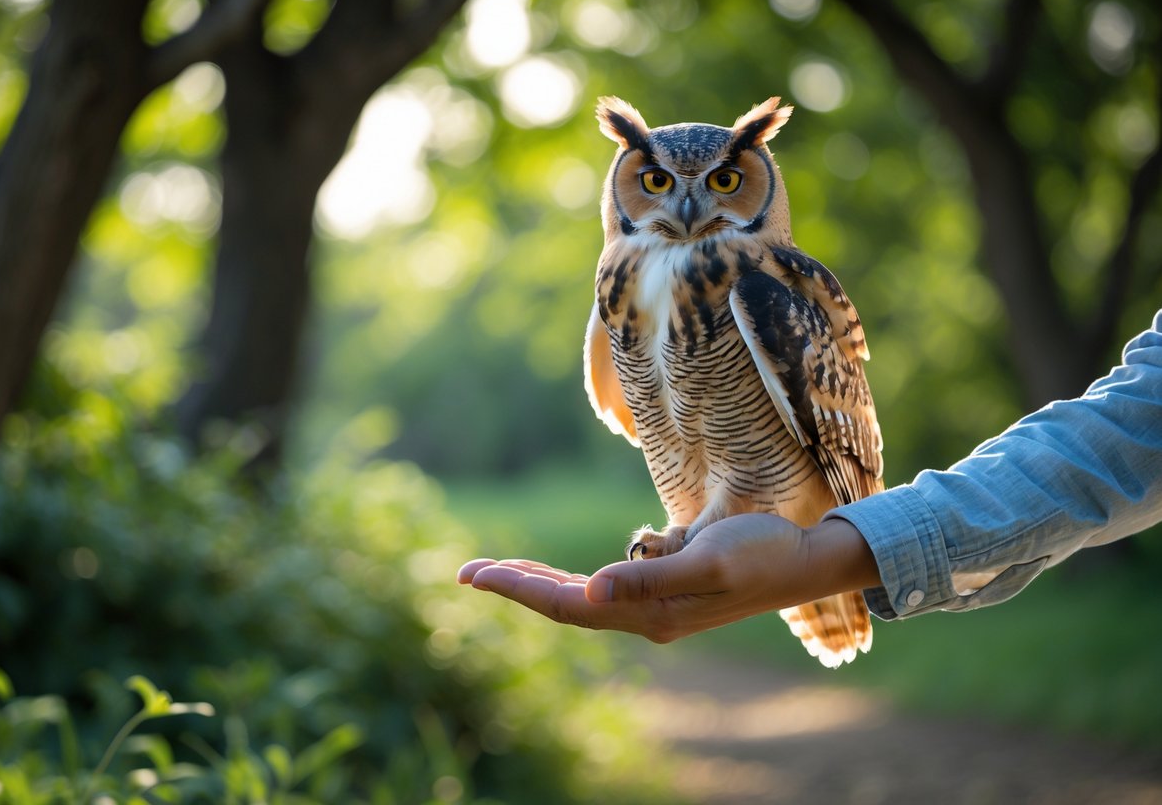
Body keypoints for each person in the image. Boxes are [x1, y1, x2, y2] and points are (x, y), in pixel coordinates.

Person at [457, 309, 1162, 643]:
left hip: (797, 487)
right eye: (656, 182)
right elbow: (1134, 425)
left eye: (726, 182)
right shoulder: (617, 301)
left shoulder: (768, 290)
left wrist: (816, 552)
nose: (691, 205)